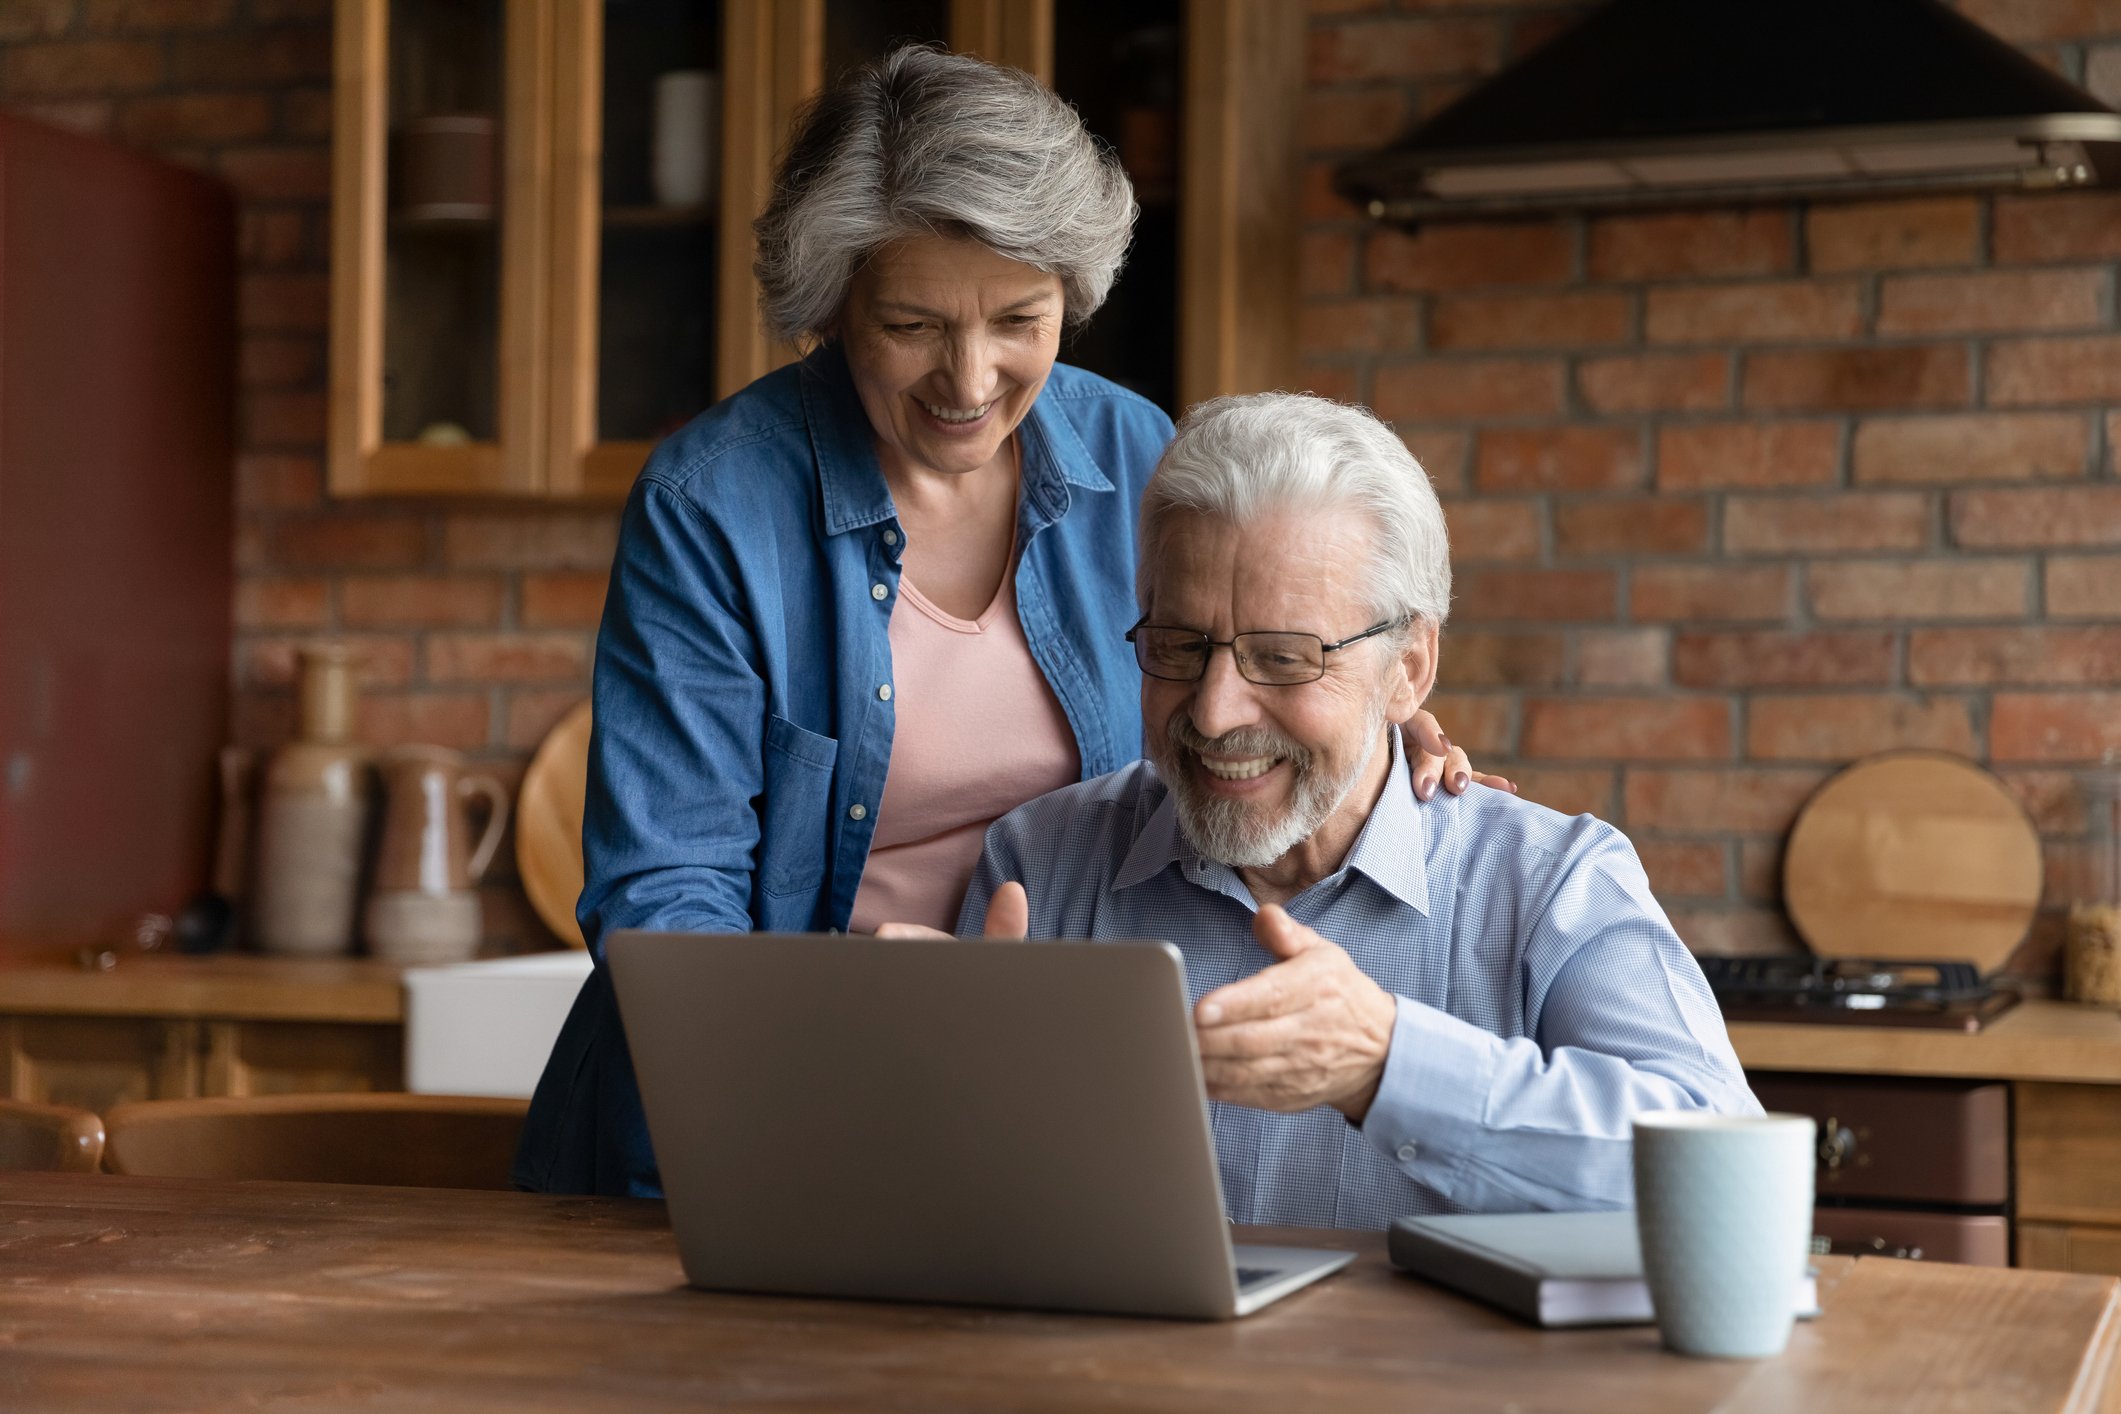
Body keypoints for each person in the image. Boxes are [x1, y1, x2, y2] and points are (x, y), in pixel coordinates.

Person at [513, 48, 1500, 1197]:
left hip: (1044, 1109)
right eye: (913, 324)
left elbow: (1243, 670)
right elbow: (665, 897)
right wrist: (850, 1026)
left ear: (1070, 298)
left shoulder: (1137, 453)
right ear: (834, 305)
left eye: (1019, 320)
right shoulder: (714, 502)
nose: (969, 378)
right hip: (760, 1107)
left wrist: (1375, 732)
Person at [941, 392, 1759, 1227]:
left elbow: (1728, 1180)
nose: (1216, 711)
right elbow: (945, 1212)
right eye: (1179, 647)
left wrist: (1387, 1067)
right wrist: (927, 1085)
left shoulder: (1549, 881)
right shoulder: (1038, 863)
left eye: (1284, 658)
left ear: (1408, 667)